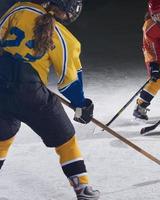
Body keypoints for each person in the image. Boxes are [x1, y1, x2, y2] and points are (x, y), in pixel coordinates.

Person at [0, 0, 100, 199]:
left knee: (3, 135)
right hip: (31, 94)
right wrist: (81, 106)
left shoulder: (20, 8)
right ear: (70, 12)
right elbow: (69, 82)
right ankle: (82, 188)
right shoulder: (65, 38)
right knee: (66, 139)